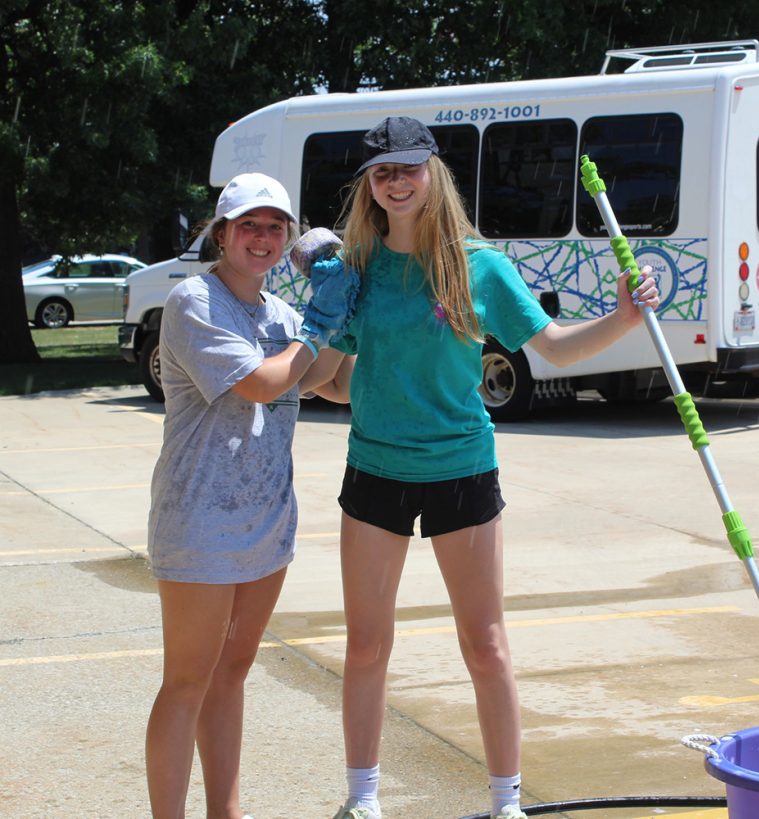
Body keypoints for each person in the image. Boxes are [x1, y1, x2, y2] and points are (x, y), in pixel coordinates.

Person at [307, 117, 660, 819]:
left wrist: (622, 318)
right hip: (374, 469)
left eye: (408, 168)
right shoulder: (357, 270)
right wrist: (310, 325)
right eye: (382, 173)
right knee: (368, 642)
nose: (396, 182)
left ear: (433, 173)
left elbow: (555, 349)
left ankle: (507, 805)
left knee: (485, 642)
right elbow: (330, 381)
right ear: (369, 187)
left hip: (462, 468)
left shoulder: (480, 266)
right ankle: (363, 799)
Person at [144, 172, 355, 819]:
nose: (262, 239)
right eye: (249, 226)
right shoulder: (193, 303)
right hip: (200, 525)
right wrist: (320, 323)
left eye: (275, 227)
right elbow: (265, 382)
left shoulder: (281, 315)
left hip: (266, 524)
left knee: (231, 674)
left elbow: (334, 385)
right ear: (222, 233)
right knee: (187, 680)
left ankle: (224, 811)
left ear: (287, 236)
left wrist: (351, 314)